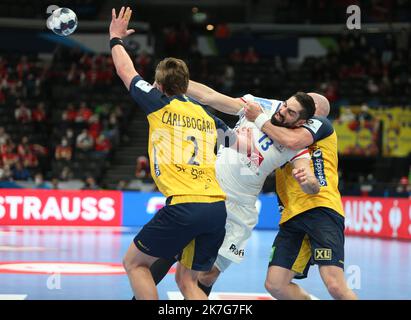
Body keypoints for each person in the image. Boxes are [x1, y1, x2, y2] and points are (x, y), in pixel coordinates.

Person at [144, 82, 322, 297]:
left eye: (290, 112)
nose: (282, 111)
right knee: (171, 252)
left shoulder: (296, 145)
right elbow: (210, 96)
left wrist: (309, 181)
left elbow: (310, 181)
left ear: (301, 121)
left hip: (239, 209)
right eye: (285, 105)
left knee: (207, 274)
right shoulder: (261, 105)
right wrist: (177, 81)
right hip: (207, 192)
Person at [109, 7, 228, 300]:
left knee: (135, 263)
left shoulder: (158, 102)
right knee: (188, 281)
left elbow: (126, 71)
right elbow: (240, 143)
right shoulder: (207, 115)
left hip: (184, 205)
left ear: (158, 85)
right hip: (216, 208)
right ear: (186, 84)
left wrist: (115, 38)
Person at [245, 95, 358, 300]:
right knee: (275, 284)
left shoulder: (320, 124)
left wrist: (259, 118)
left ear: (311, 111)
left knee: (335, 285)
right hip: (292, 215)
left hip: (320, 208)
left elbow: (292, 141)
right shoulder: (284, 130)